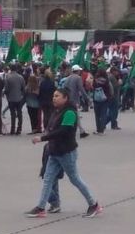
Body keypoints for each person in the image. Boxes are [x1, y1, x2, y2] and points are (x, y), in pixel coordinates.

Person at [27, 88, 102, 219]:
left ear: (65, 98)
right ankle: (40, 207)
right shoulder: (57, 111)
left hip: (66, 152)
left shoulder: (70, 112)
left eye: (57, 96)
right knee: (47, 179)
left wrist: (43, 138)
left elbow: (64, 131)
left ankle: (93, 204)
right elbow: (52, 128)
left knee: (75, 179)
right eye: (53, 96)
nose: (54, 98)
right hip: (54, 151)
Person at [63, 65, 90, 139]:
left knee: (71, 115)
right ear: (78, 71)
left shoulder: (68, 78)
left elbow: (64, 88)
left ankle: (80, 131)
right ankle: (81, 131)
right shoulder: (78, 78)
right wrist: (87, 98)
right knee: (76, 115)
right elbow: (81, 89)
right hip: (74, 99)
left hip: (67, 99)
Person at [4, 66, 26, 135]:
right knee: (19, 114)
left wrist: (6, 94)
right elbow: (23, 88)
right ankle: (19, 129)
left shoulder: (8, 77)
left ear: (10, 69)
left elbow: (6, 89)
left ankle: (12, 129)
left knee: (12, 114)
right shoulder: (21, 77)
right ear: (16, 69)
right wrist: (21, 94)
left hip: (11, 98)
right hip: (19, 98)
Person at [91, 69, 112, 136]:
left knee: (97, 115)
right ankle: (102, 130)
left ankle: (98, 129)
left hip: (96, 99)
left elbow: (93, 87)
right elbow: (109, 88)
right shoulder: (106, 80)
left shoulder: (95, 80)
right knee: (103, 115)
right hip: (104, 99)